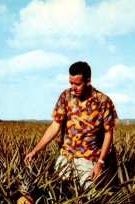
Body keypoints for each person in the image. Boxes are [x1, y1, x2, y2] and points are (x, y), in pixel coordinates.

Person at [25, 61, 119, 190]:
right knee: (55, 192)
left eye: (77, 84)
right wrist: (36, 150)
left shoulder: (103, 101)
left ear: (88, 81)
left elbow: (109, 133)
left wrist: (100, 163)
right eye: (71, 83)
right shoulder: (66, 96)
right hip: (66, 157)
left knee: (91, 198)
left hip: (88, 159)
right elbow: (55, 126)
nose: (73, 88)